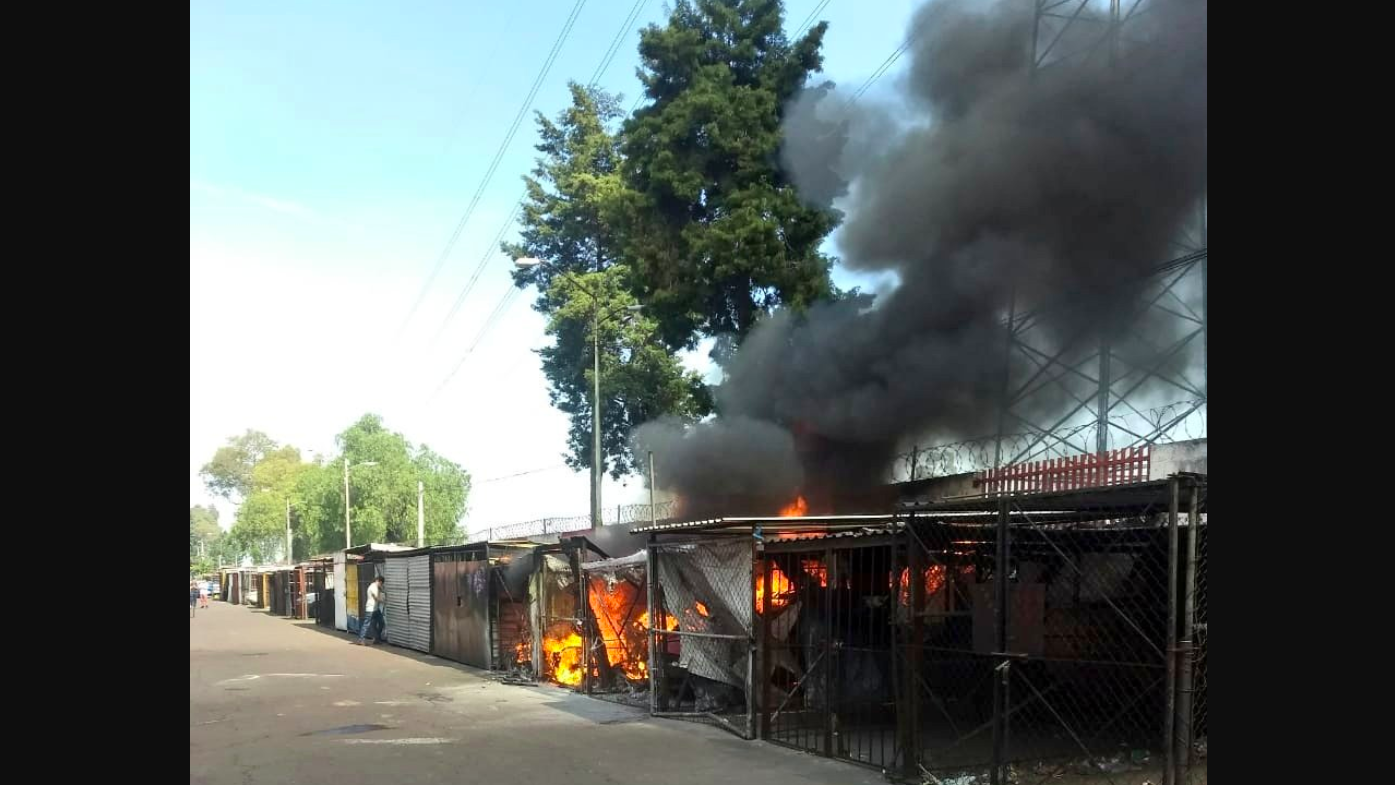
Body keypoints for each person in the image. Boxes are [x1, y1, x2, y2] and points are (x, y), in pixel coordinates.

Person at [354, 575, 386, 645]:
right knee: (366, 624)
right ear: (378, 581)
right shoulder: (373, 587)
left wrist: (381, 590)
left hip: (376, 609)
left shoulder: (376, 587)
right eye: (381, 583)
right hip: (370, 609)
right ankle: (361, 639)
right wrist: (382, 601)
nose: (381, 585)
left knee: (381, 623)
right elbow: (375, 597)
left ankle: (376, 638)